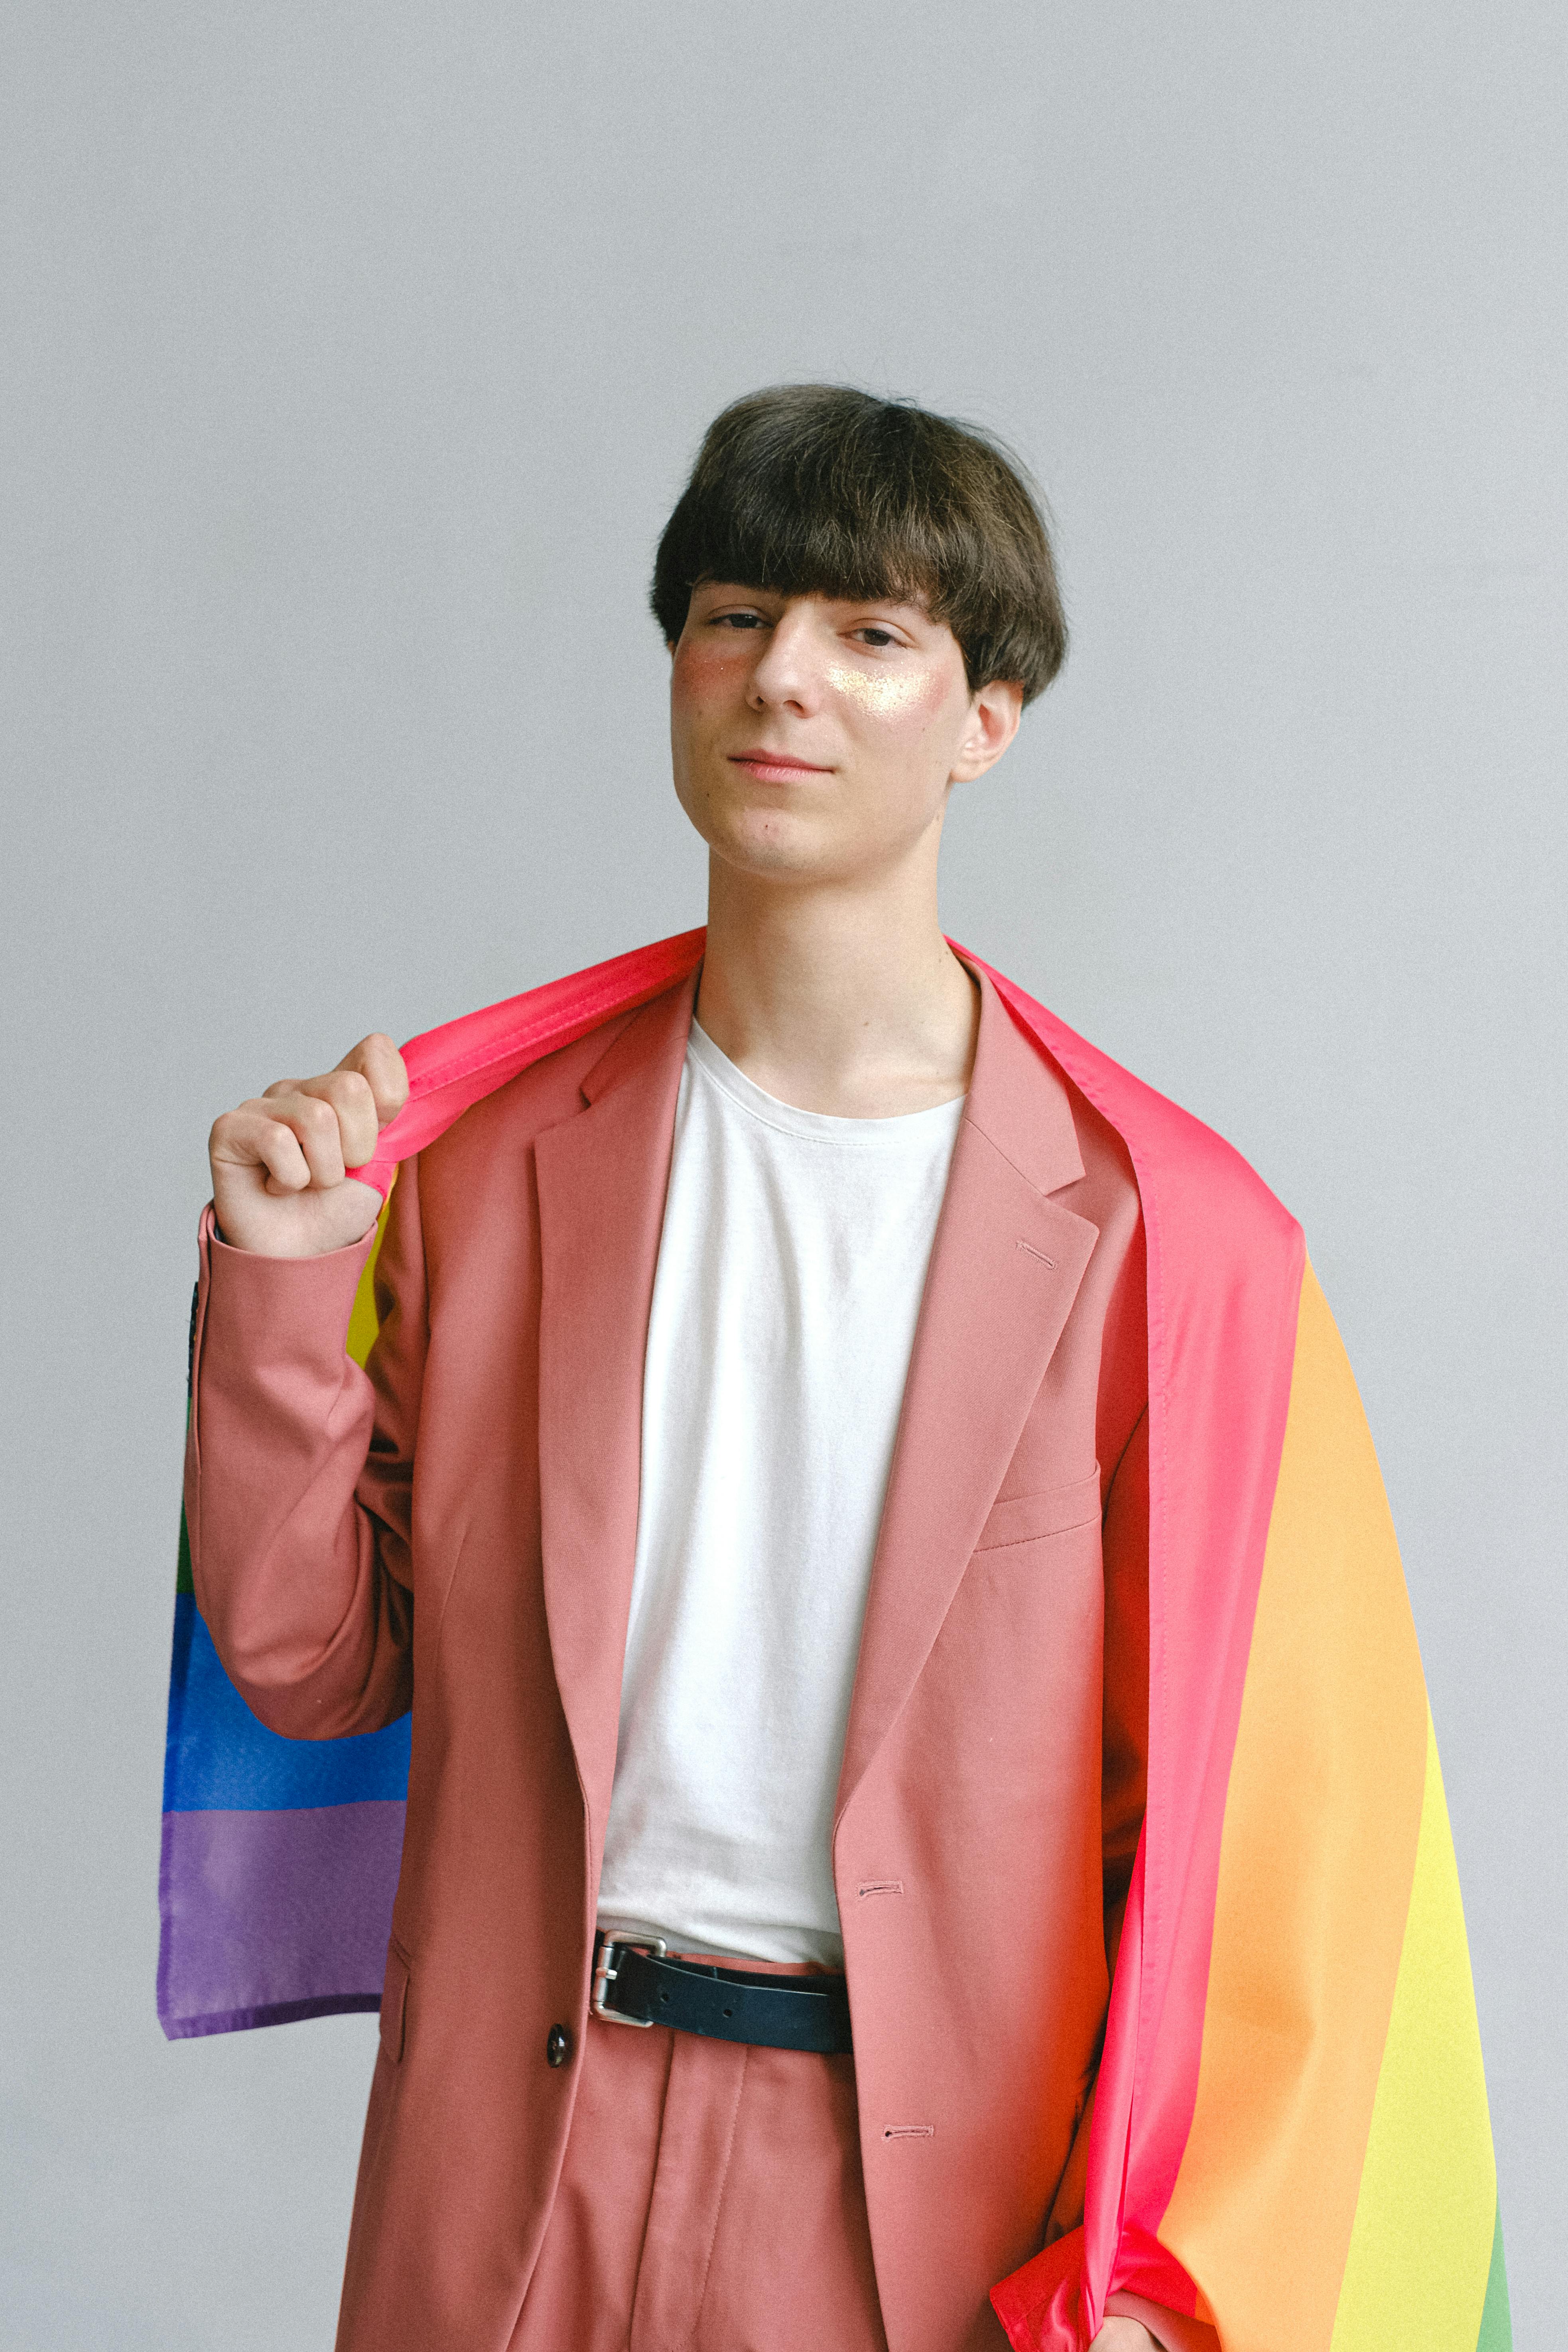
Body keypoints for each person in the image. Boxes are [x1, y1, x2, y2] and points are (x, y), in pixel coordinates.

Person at [185, 389, 1504, 2352]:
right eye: (731, 615)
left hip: (911, 2214)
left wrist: (1154, 2287)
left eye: (869, 633)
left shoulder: (1170, 1245)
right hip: (517, 2159)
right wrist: (287, 1283)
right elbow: (315, 1663)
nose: (780, 676)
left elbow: (1252, 1829)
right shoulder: (484, 1166)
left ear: (987, 718)